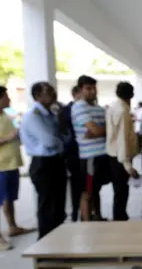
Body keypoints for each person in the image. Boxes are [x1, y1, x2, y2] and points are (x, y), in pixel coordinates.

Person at [20, 82, 68, 240]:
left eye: (53, 90)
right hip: (43, 163)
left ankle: (57, 239)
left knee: (59, 204)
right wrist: (62, 143)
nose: (53, 94)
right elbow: (48, 141)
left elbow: (63, 134)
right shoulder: (33, 115)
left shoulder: (51, 114)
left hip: (56, 161)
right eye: (48, 91)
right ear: (38, 96)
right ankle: (46, 242)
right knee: (47, 205)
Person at [0, 86, 35, 250]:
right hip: (1, 165)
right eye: (6, 96)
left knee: (9, 198)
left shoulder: (5, 115)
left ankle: (12, 227)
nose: (9, 99)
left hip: (12, 163)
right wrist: (10, 137)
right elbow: (6, 137)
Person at [71, 75, 109, 221]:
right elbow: (96, 130)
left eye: (94, 88)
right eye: (88, 88)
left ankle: (98, 217)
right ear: (81, 90)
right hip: (89, 156)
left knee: (96, 189)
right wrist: (99, 131)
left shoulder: (98, 108)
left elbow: (99, 131)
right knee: (87, 192)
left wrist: (98, 131)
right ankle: (87, 223)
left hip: (101, 154)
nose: (92, 91)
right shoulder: (79, 107)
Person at [106, 82, 140, 221]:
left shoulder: (115, 107)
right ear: (132, 95)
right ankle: (120, 219)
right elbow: (122, 139)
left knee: (119, 191)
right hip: (120, 158)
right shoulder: (123, 111)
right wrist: (128, 166)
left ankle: (119, 217)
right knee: (121, 192)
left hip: (114, 155)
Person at [59, 85, 82, 221]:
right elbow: (64, 133)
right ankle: (75, 212)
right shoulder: (66, 111)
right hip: (73, 153)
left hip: (87, 152)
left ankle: (87, 212)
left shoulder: (88, 108)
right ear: (75, 94)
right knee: (76, 184)